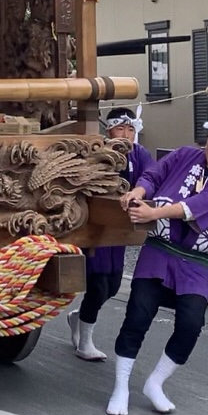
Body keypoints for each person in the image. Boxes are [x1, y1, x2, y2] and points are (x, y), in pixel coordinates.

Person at [106, 117, 208, 415]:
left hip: (196, 263)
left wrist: (153, 212)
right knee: (137, 316)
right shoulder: (185, 154)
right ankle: (121, 386)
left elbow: (195, 207)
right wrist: (139, 192)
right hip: (158, 252)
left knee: (191, 324)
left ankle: (155, 382)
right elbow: (154, 174)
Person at [68, 107, 153, 361]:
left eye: (130, 129)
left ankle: (78, 318)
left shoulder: (140, 154)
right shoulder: (98, 151)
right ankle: (85, 342)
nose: (126, 134)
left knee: (114, 285)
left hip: (120, 228)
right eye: (120, 128)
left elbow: (151, 177)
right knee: (98, 283)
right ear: (109, 129)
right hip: (94, 225)